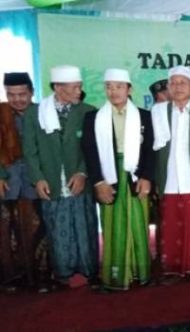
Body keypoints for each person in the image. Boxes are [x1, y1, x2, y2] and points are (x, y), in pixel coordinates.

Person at [22, 65, 100, 289]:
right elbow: (30, 150)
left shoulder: (88, 111)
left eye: (80, 87)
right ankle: (63, 273)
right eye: (74, 87)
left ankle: (89, 271)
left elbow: (92, 149)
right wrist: (38, 178)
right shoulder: (35, 113)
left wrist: (82, 172)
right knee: (58, 227)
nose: (79, 91)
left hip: (79, 181)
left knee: (84, 225)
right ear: (58, 87)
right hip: (51, 181)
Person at [82, 68, 155, 290]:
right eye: (109, 86)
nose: (113, 91)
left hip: (135, 175)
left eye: (119, 86)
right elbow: (89, 151)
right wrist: (98, 182)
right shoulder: (93, 118)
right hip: (108, 176)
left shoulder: (144, 116)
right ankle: (115, 276)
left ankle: (141, 274)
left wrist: (146, 176)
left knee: (138, 222)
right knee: (112, 224)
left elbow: (151, 150)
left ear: (129, 89)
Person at [151, 66, 190, 283]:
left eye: (183, 83)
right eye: (174, 83)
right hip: (168, 178)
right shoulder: (158, 112)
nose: (178, 87)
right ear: (168, 87)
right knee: (170, 225)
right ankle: (172, 268)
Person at [0, 72, 51, 293]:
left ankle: (40, 276)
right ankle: (11, 276)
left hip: (35, 178)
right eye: (11, 94)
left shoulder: (43, 113)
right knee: (7, 228)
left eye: (22, 94)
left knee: (38, 226)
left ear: (31, 92)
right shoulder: (1, 114)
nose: (17, 99)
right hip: (7, 180)